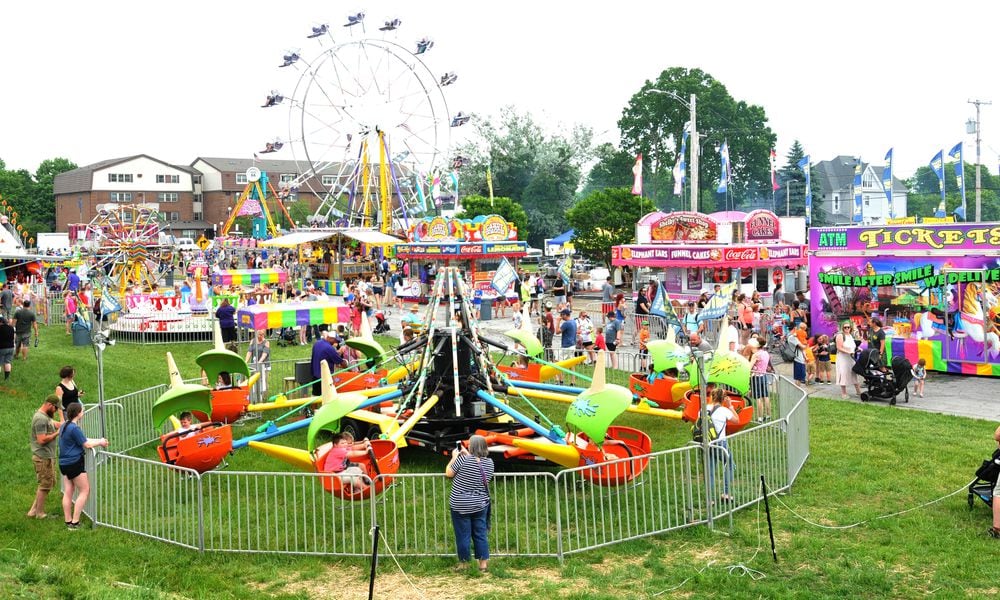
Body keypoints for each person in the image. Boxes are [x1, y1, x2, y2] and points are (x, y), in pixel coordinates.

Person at [446, 434, 494, 573]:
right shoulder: (490, 463)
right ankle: (483, 565)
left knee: (463, 535)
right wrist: (468, 455)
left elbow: (449, 472)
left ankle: (464, 564)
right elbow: (476, 463)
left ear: (471, 447)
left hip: (460, 505)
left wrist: (454, 457)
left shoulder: (462, 461)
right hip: (480, 504)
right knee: (480, 534)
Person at [59, 401, 108, 530]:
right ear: (78, 413)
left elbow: (83, 440)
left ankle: (68, 520)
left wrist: (99, 441)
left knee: (68, 491)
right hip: (74, 463)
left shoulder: (64, 426)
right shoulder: (74, 428)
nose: (84, 412)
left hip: (63, 464)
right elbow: (86, 444)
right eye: (82, 410)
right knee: (85, 490)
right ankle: (75, 522)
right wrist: (100, 442)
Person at [28, 395, 61, 519]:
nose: (56, 411)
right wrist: (57, 433)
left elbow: (54, 423)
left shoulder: (45, 416)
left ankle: (33, 511)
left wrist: (64, 424)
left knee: (48, 483)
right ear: (49, 405)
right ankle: (40, 513)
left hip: (47, 456)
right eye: (55, 408)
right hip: (43, 457)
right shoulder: (40, 419)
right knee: (45, 485)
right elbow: (41, 440)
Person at [705, 387, 738, 503]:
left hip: (707, 442)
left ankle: (710, 499)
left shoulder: (703, 409)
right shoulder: (724, 410)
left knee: (710, 471)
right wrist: (730, 406)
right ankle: (726, 492)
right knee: (730, 465)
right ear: (723, 398)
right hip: (720, 442)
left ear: (711, 397)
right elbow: (737, 420)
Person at [310, 329, 346, 396]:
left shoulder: (317, 343)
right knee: (329, 396)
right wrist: (349, 369)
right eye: (335, 340)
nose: (336, 342)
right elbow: (341, 362)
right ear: (330, 338)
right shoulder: (329, 348)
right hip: (325, 377)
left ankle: (314, 407)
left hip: (315, 374)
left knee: (315, 396)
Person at [835, 321, 863, 400]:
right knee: (843, 373)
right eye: (845, 327)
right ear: (842, 328)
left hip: (851, 358)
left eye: (848, 327)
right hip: (843, 358)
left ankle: (858, 391)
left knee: (853, 372)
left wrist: (857, 349)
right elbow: (839, 347)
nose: (847, 329)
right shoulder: (840, 336)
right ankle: (844, 393)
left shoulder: (850, 336)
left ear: (850, 328)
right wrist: (848, 352)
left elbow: (852, 346)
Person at [747, 337, 772, 421]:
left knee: (758, 398)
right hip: (764, 376)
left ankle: (760, 417)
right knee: (766, 396)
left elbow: (749, 367)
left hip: (756, 377)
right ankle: (768, 414)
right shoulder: (766, 353)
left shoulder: (756, 355)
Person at [245, 329, 271, 402]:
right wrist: (246, 361)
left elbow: (265, 354)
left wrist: (259, 362)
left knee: (264, 381)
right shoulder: (253, 341)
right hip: (253, 364)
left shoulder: (266, 342)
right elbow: (249, 352)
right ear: (256, 333)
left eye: (262, 334)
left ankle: (264, 397)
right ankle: (254, 396)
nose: (261, 336)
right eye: (259, 334)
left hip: (264, 365)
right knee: (254, 380)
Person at [558, 309, 577, 383]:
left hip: (566, 346)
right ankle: (573, 381)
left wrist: (558, 322)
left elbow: (557, 331)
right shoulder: (574, 322)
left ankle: (561, 380)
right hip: (572, 345)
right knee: (572, 364)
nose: (561, 317)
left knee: (559, 363)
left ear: (565, 315)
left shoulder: (566, 323)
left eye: (562, 315)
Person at [0, 315, 14, 381]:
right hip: (11, 347)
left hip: (2, 348)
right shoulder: (11, 328)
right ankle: (6, 378)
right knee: (7, 362)